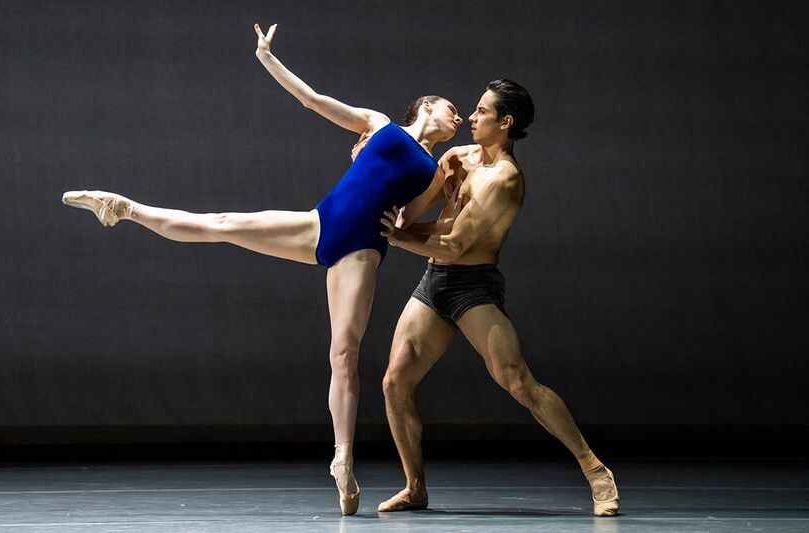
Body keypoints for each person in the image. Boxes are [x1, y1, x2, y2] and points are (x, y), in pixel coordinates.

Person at [62, 22, 463, 516]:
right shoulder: (379, 125)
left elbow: (405, 220)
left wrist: (429, 209)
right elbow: (313, 100)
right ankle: (125, 208)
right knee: (225, 222)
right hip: (320, 224)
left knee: (344, 354)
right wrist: (267, 58)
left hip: (359, 250)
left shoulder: (432, 166)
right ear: (425, 106)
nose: (458, 117)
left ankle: (342, 458)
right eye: (451, 108)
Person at [377, 79, 619, 517]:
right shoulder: (458, 157)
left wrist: (397, 239)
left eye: (482, 112)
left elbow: (455, 245)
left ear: (504, 122)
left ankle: (596, 469)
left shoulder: (505, 179)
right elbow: (413, 216)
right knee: (395, 382)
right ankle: (415, 489)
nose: (471, 117)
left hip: (473, 285)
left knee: (517, 382)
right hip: (435, 281)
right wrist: (378, 175)